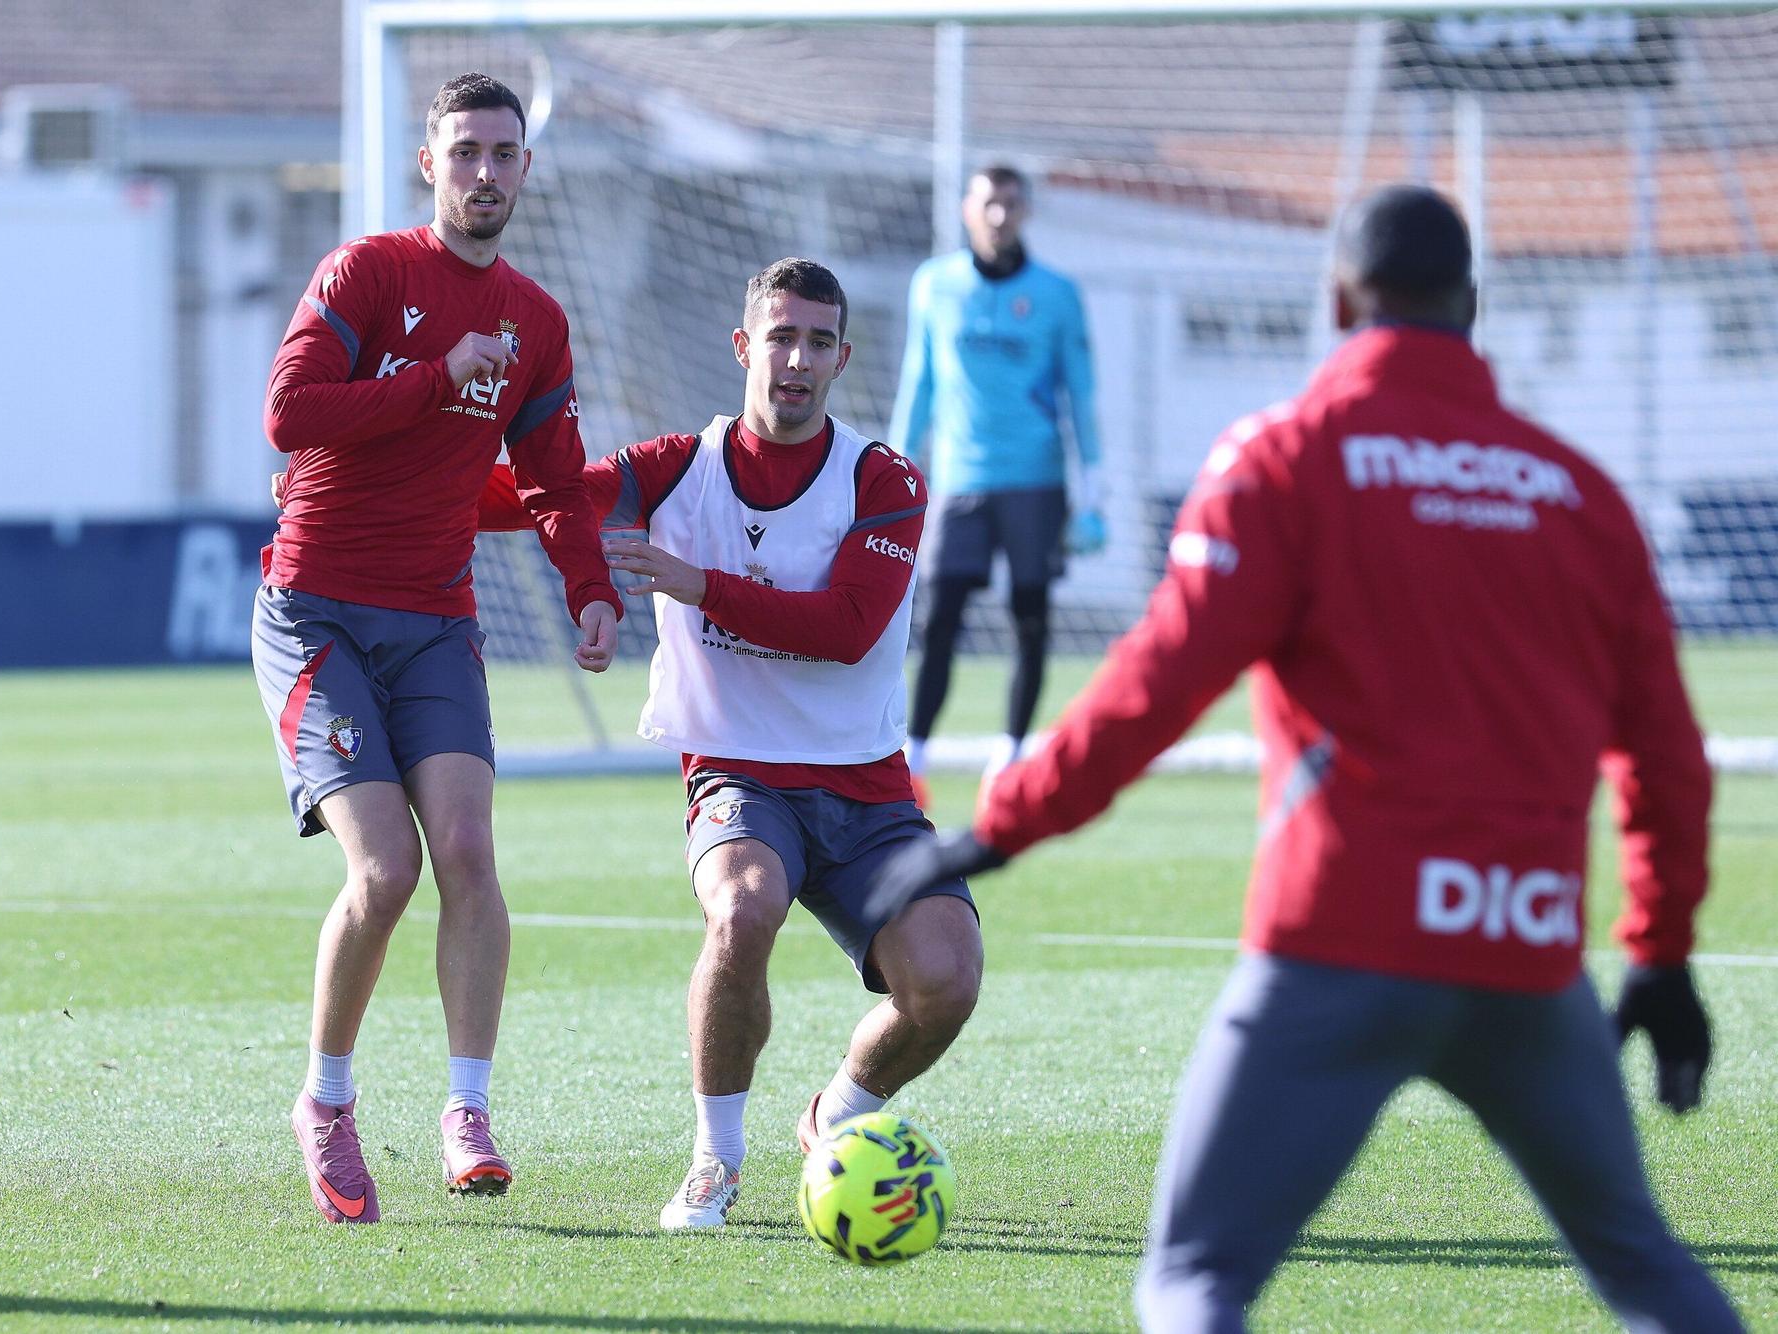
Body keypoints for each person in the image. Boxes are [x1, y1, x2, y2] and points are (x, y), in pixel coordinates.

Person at [870, 185, 1742, 1331]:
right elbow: (1668, 759)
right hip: (1523, 955)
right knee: (1640, 1263)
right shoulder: (1579, 496)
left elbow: (1157, 678)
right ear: (1468, 308)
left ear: (1338, 300)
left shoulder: (1288, 457)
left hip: (1337, 946)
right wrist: (1660, 954)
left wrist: (1000, 823)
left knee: (1195, 1279)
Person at [483, 258, 983, 1231]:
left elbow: (844, 626)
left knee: (946, 982)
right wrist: (365, 486)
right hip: (737, 773)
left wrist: (694, 579)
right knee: (742, 908)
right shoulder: (677, 465)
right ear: (744, 345)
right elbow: (535, 492)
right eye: (779, 336)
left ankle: (836, 1113)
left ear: (841, 357)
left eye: (817, 341)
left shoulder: (882, 479)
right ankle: (714, 1159)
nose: (795, 359)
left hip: (868, 790)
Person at [254, 72, 620, 1224]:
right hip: (316, 611)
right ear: (429, 164)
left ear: (524, 169)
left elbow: (559, 481)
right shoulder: (369, 273)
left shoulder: (537, 321)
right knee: (386, 870)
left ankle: (466, 1109)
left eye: (502, 155)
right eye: (463, 152)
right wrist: (425, 382)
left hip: (438, 621)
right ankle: (325, 1098)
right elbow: (288, 415)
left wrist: (590, 588)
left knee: (465, 849)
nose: (483, 173)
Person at [888, 163, 1103, 794]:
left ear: (1026, 210)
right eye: (989, 203)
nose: (1000, 215)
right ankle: (915, 758)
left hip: (1036, 480)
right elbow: (917, 383)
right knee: (940, 617)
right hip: (961, 482)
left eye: (1012, 203)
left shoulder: (1057, 294)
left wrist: (1092, 493)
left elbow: (1081, 395)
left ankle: (1011, 756)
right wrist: (891, 471)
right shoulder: (934, 285)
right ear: (967, 210)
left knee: (1030, 616)